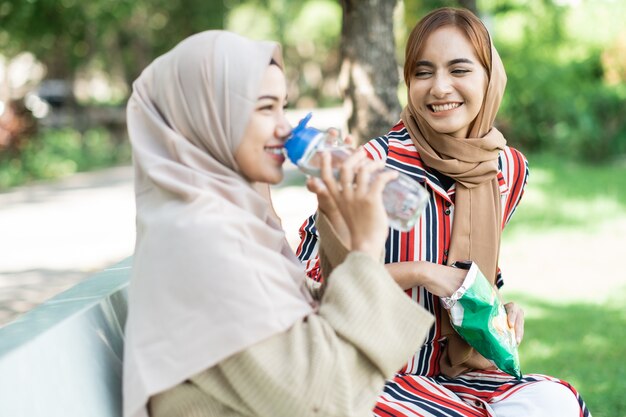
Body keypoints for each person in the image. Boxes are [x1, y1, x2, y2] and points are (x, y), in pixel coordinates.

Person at [296, 7, 592, 417]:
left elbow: (473, 271)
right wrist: (421, 272)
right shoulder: (370, 167)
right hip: (372, 373)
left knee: (557, 403)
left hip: (463, 373)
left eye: (459, 70)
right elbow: (311, 289)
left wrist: (497, 312)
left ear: (490, 77)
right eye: (422, 72)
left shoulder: (507, 170)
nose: (439, 88)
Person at [122, 30, 434, 417]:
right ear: (208, 115)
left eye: (283, 107)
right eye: (266, 108)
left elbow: (312, 327)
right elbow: (323, 397)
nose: (286, 128)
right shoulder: (198, 237)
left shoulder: (227, 220)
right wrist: (368, 248)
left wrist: (337, 218)